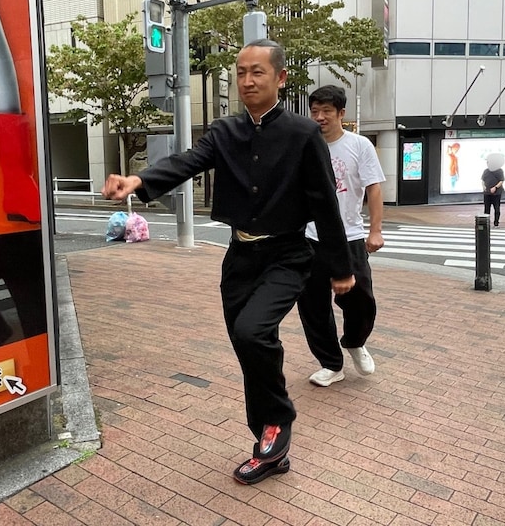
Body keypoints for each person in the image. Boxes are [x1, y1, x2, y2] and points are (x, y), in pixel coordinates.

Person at [101, 39, 355, 485]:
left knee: (253, 332)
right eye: (240, 72)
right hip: (239, 257)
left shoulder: (302, 134)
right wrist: (138, 179)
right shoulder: (225, 131)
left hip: (288, 254)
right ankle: (269, 446)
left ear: (280, 78)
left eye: (257, 72)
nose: (247, 81)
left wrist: (341, 267)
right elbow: (188, 161)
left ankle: (278, 421)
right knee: (246, 345)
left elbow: (324, 203)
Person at [297, 85, 385, 387]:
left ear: (341, 113)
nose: (320, 117)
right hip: (310, 237)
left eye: (326, 111)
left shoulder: (359, 145)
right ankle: (331, 364)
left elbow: (374, 188)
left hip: (350, 236)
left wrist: (375, 230)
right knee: (312, 305)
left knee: (361, 299)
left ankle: (355, 341)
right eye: (315, 111)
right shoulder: (304, 145)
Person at [481, 154, 505, 227]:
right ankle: (487, 223)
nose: (487, 163)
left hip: (496, 193)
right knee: (486, 209)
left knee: (496, 208)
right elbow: (483, 180)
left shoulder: (499, 171)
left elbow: (501, 181)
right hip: (487, 193)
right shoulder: (486, 171)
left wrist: (495, 187)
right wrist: (484, 187)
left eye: (488, 162)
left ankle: (496, 223)